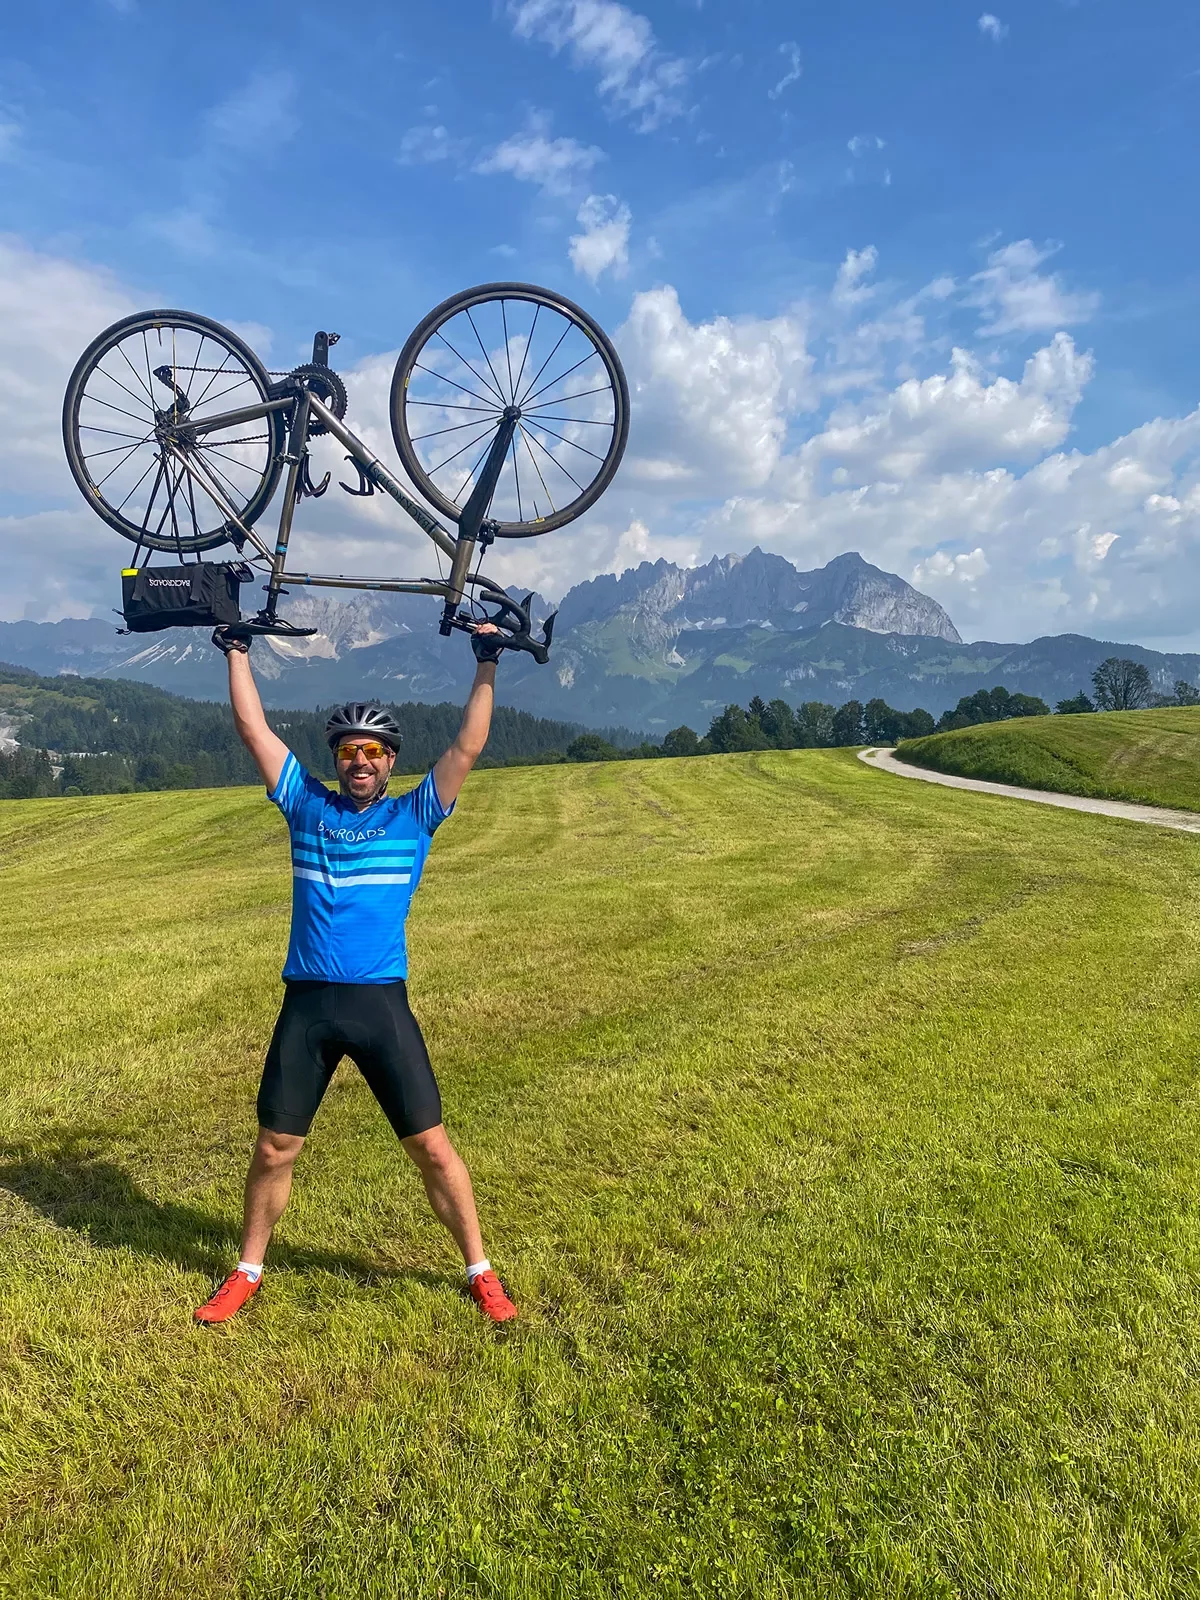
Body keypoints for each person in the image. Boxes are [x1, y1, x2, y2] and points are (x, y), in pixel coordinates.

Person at [193, 621, 517, 1326]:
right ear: (336, 760)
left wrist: (486, 660)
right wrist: (237, 650)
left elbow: (468, 743)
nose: (360, 760)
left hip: (379, 1005)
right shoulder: (304, 804)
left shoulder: (415, 816)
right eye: (349, 750)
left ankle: (480, 1270)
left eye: (372, 750)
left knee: (431, 1146)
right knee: (276, 1145)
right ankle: (247, 1270)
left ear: (391, 760)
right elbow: (254, 732)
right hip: (308, 1003)